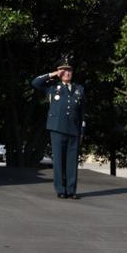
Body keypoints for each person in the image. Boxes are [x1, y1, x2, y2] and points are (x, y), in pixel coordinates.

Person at [31, 63, 85, 199]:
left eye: (69, 71)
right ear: (60, 73)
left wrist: (82, 131)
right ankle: (60, 189)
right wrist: (53, 74)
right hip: (57, 128)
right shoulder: (52, 87)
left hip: (74, 129)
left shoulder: (79, 89)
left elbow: (82, 113)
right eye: (64, 71)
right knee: (59, 161)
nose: (67, 73)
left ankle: (71, 190)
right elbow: (35, 82)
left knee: (72, 162)